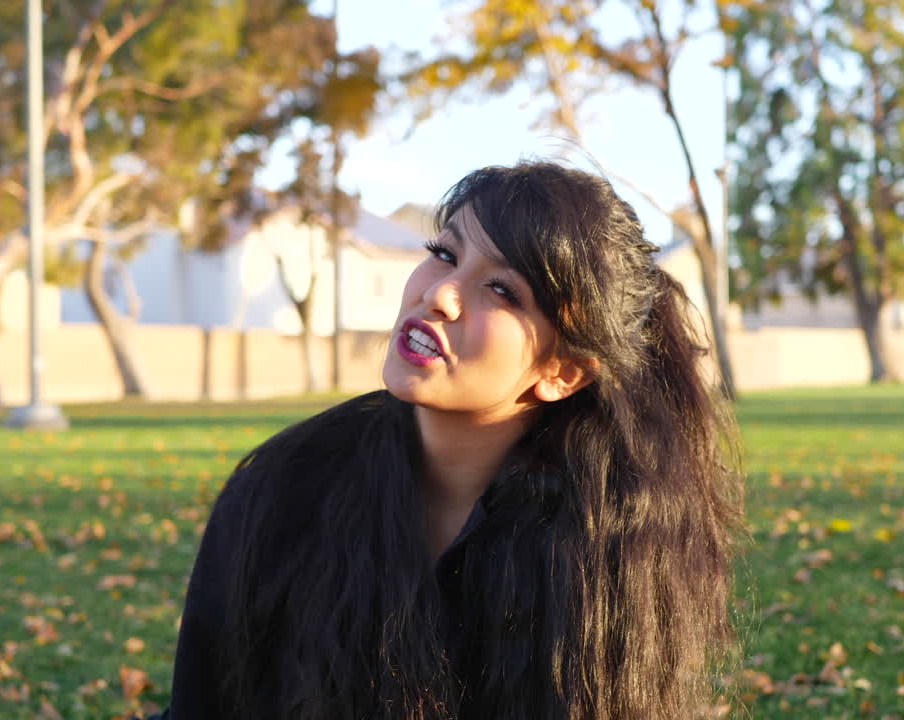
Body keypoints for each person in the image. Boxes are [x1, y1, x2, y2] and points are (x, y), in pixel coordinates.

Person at [152, 161, 744, 719]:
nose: (440, 294)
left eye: (503, 290)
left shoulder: (609, 539)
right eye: (444, 253)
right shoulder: (282, 486)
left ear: (562, 372)